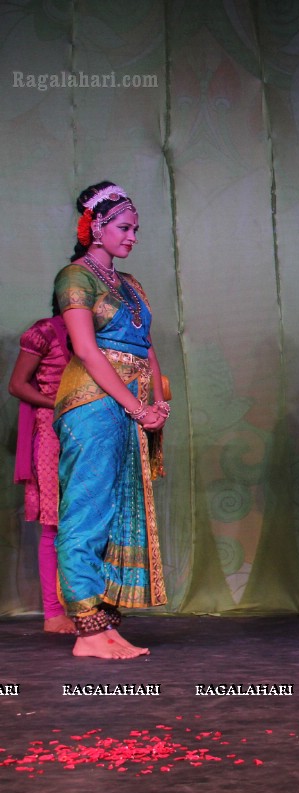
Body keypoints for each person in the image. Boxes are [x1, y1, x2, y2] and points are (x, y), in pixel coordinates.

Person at [53, 181, 168, 658]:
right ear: (95, 227)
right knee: (87, 512)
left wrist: (158, 402)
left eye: (136, 229)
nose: (133, 236)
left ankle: (105, 622)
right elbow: (85, 349)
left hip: (129, 404)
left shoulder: (131, 284)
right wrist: (137, 405)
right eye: (124, 227)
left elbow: (147, 345)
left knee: (118, 511)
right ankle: (87, 628)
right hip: (94, 404)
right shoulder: (74, 277)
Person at [9, 298, 75, 634]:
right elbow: (17, 385)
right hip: (52, 431)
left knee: (91, 521)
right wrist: (62, 403)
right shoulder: (44, 333)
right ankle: (53, 613)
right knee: (54, 525)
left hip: (92, 431)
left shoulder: (102, 334)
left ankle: (88, 607)